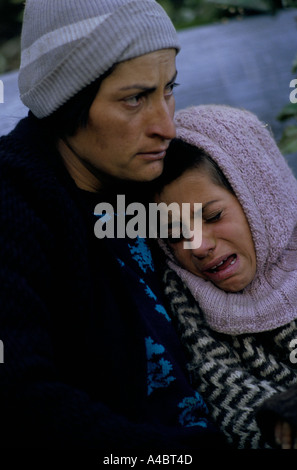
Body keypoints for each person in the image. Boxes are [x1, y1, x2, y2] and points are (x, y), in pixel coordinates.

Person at [0, 1, 227, 450]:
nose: (165, 125)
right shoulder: (16, 204)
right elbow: (20, 399)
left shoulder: (150, 182)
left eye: (169, 90)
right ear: (66, 101)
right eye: (134, 98)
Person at [150, 104, 297, 449]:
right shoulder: (184, 299)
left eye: (213, 215)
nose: (197, 247)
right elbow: (232, 402)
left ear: (263, 197)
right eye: (174, 233)